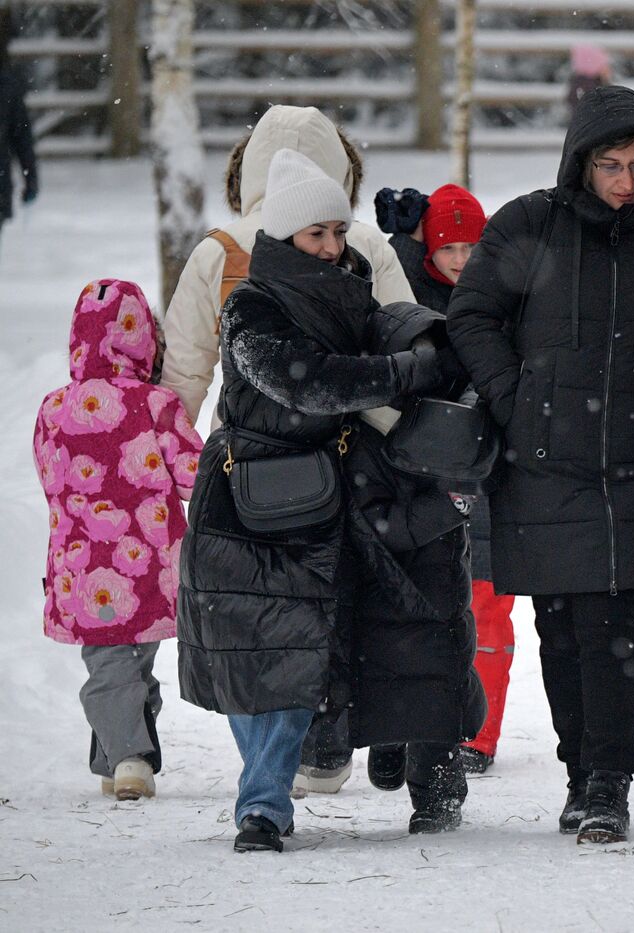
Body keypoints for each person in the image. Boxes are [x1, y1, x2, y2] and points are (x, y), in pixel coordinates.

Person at [447, 86, 634, 844]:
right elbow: (470, 315)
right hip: (536, 456)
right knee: (558, 624)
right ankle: (580, 771)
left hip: (628, 457)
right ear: (581, 162)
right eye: (610, 165)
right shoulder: (528, 224)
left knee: (612, 621)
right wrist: (518, 398)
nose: (624, 182)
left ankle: (609, 781)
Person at [176, 148, 475, 850]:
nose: (335, 247)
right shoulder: (249, 307)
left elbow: (365, 354)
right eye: (318, 235)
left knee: (330, 644)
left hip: (326, 502)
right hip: (251, 509)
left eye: (338, 233)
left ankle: (323, 785)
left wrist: (431, 352)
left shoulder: (352, 293)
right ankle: (264, 804)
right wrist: (403, 371)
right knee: (263, 657)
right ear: (282, 237)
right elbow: (308, 382)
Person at [161, 104, 416, 798]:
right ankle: (327, 738)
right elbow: (400, 341)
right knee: (342, 603)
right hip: (350, 457)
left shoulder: (218, 251)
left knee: (260, 611)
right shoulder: (361, 243)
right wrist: (404, 444)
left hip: (252, 464)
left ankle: (284, 745)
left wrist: (174, 464)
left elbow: (185, 368)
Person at [33, 279, 202, 801]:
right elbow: (193, 475)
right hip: (149, 562)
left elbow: (48, 476)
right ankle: (129, 758)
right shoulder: (155, 404)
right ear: (143, 341)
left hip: (80, 563)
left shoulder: (53, 408)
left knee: (111, 662)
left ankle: (116, 755)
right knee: (131, 663)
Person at [374, 182, 516, 776]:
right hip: (423, 479)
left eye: (470, 247)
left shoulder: (504, 297)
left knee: (487, 614)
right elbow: (390, 286)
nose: (459, 260)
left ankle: (478, 735)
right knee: (418, 611)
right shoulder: (413, 297)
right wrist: (405, 242)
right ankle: (413, 725)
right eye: (446, 247)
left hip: (487, 482)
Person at [1, 10, 39, 253]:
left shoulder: (8, 84)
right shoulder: (8, 83)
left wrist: (30, 177)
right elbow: (21, 135)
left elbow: (20, 134)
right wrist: (30, 177)